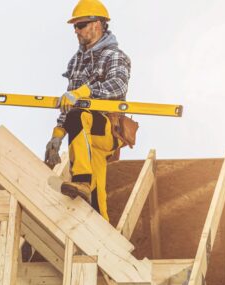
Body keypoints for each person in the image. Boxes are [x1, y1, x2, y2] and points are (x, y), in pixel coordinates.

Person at [45, 0, 131, 222]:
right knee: (95, 197)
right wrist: (57, 135)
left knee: (78, 113)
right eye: (74, 26)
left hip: (106, 130)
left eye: (81, 25)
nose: (76, 30)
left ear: (98, 24)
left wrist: (83, 92)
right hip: (83, 136)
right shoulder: (76, 61)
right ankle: (105, 241)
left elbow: (118, 87)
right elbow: (69, 101)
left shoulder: (114, 55)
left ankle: (82, 179)